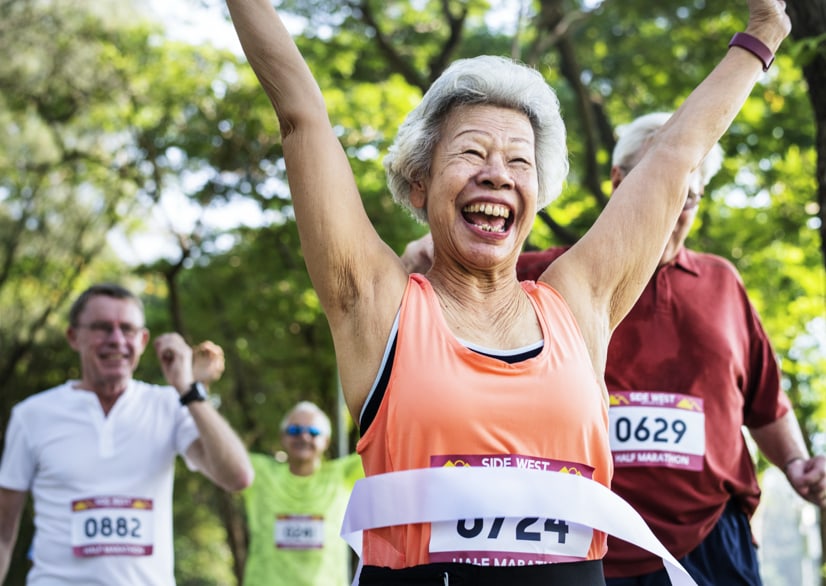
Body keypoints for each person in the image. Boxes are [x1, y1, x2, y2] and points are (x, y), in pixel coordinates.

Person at [225, 0, 790, 582]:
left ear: (537, 194)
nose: (497, 173)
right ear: (419, 184)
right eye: (471, 152)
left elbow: (674, 156)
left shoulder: (578, 304)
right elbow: (300, 114)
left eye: (519, 160)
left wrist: (761, 35)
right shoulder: (377, 306)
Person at [403, 111, 826, 585]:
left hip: (710, 542)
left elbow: (766, 403)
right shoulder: (541, 278)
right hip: (580, 542)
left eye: (684, 198)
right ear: (618, 181)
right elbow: (455, 299)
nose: (668, 210)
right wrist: (439, 249)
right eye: (655, 189)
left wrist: (795, 463)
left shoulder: (723, 283)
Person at [0, 283, 254, 585]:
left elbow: (237, 477)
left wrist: (188, 388)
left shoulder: (170, 406)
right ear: (73, 336)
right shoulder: (32, 415)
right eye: (102, 328)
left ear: (144, 340)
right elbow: (3, 529)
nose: (117, 340)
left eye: (128, 330)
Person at [242, 400, 363, 586]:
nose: (304, 437)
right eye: (294, 431)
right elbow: (222, 450)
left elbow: (386, 444)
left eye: (313, 432)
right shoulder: (258, 472)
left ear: (326, 441)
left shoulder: (342, 475)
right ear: (282, 437)